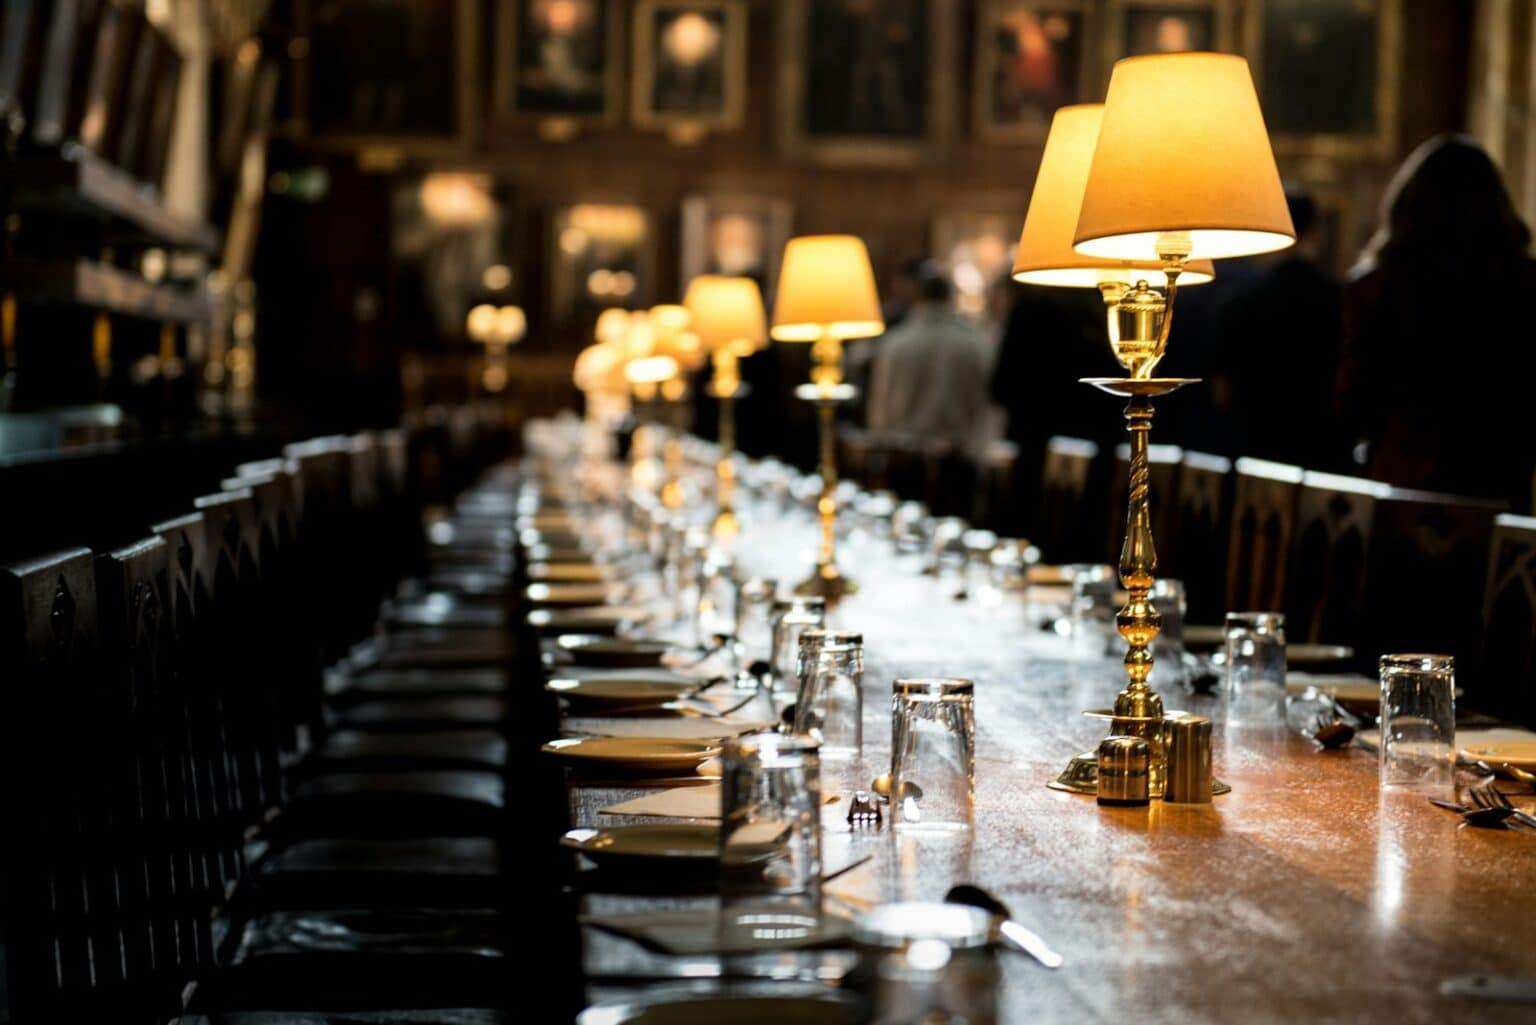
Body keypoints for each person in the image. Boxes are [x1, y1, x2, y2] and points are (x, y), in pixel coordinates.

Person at [1339, 135, 1536, 509]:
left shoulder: (1375, 287)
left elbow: (1352, 399)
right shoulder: (1525, 283)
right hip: (1499, 483)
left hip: (1400, 481)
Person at [1218, 188, 1346, 467]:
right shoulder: (1337, 297)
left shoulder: (1242, 298)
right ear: (1315, 232)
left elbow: (1222, 387)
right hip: (1318, 444)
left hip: (1253, 444)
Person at [866, 262, 1000, 464]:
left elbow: (881, 408)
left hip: (905, 456)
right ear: (950, 297)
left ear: (917, 296)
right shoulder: (976, 343)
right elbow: (986, 407)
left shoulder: (896, 344)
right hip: (959, 457)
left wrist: (878, 443)